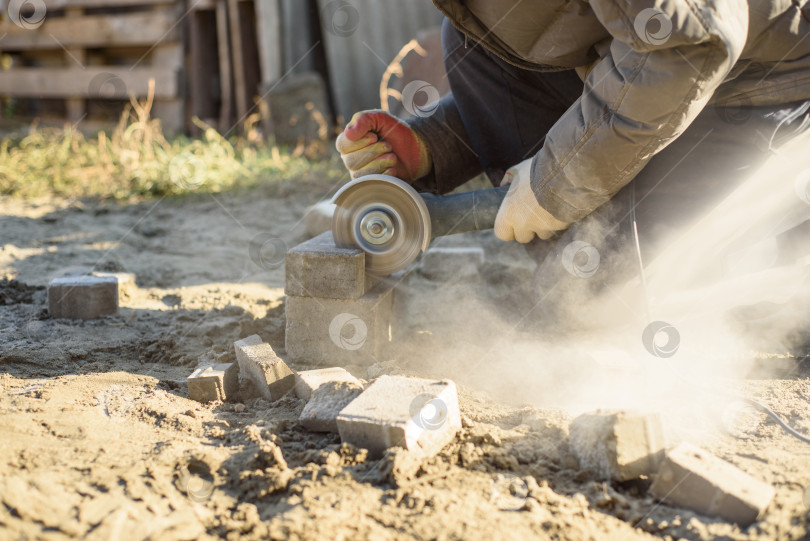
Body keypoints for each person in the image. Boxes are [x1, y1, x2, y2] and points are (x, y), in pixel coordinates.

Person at [336, 0, 810, 322]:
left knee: (596, 302)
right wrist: (433, 145)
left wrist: (552, 185)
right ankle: (586, 266)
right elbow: (582, 48)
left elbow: (689, 42)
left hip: (759, 88)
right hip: (662, 74)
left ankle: (783, 251)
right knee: (473, 40)